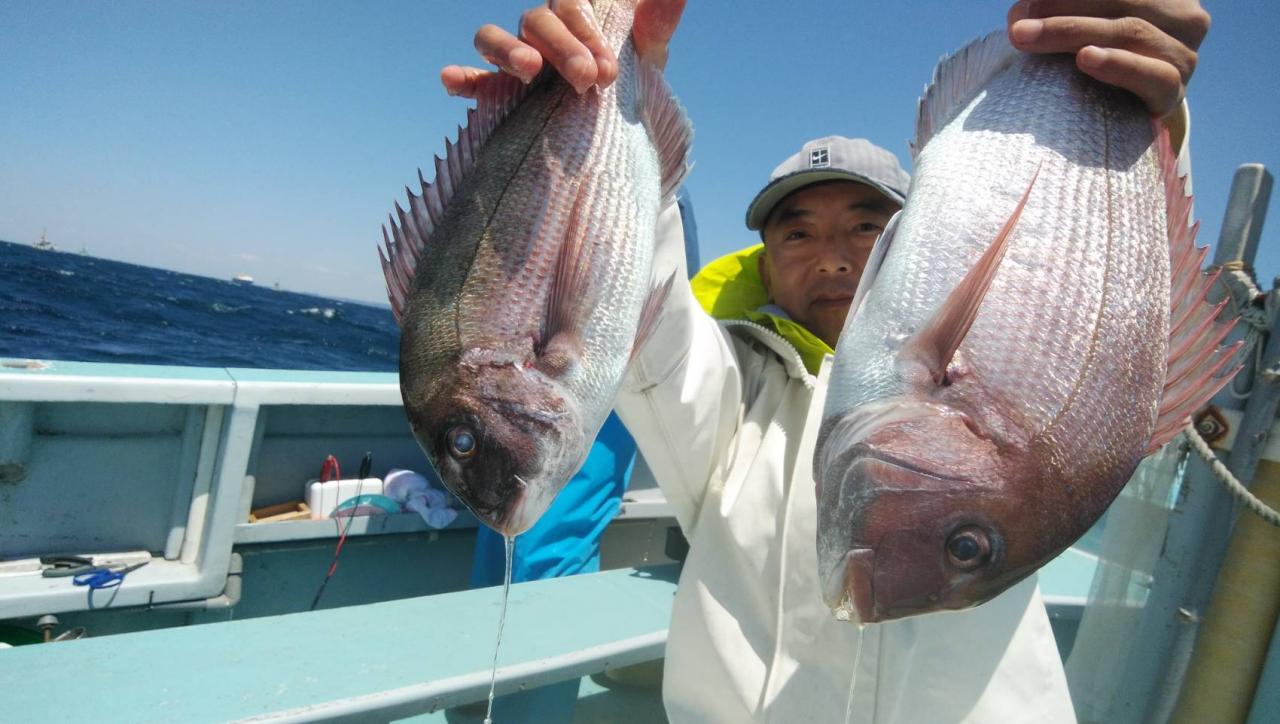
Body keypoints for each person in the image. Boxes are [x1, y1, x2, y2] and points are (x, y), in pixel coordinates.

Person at [441, 1, 1211, 721]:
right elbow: (625, 289)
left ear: (922, 240)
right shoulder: (727, 397)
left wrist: (1152, 116)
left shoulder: (1027, 400)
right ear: (763, 264)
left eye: (866, 225)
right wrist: (604, 93)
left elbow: (1103, 311)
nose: (832, 258)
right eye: (797, 233)